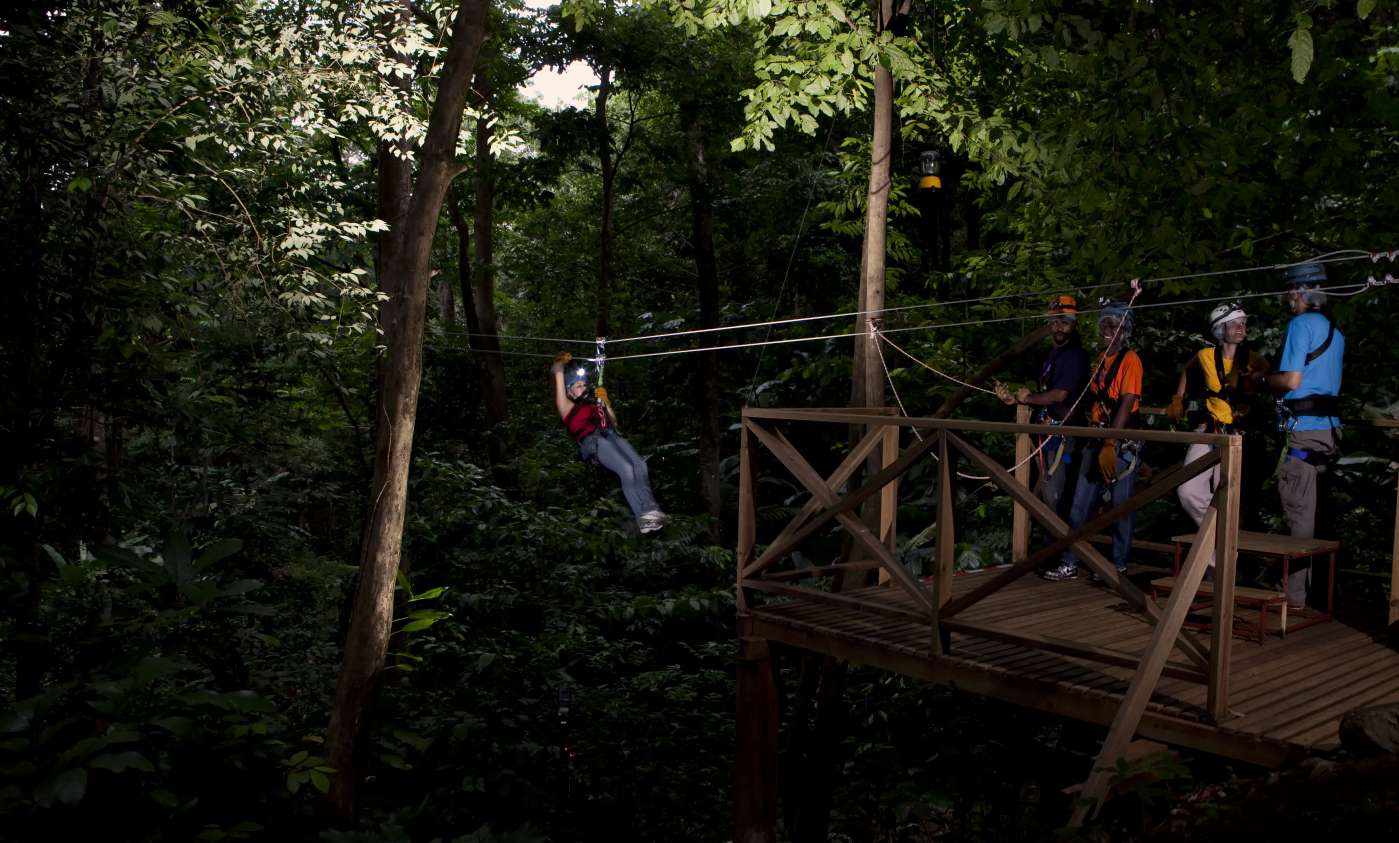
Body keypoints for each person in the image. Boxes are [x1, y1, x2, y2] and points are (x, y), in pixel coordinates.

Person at [1166, 302, 1271, 576]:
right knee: (1188, 491)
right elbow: (1187, 372)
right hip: (1209, 431)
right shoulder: (1204, 356)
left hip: (1238, 437)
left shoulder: (1254, 359)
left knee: (1228, 499)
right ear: (1219, 328)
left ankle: (1223, 565)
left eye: (1243, 323)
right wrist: (1178, 398)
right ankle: (1216, 547)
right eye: (1235, 323)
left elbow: (1273, 383)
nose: (1241, 327)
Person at [1262, 262, 1344, 609]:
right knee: (1312, 515)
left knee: (1298, 514)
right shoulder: (1334, 331)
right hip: (1329, 433)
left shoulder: (1300, 325)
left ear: (1299, 292)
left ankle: (1292, 597)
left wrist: (1262, 380)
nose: (1287, 300)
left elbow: (1291, 381)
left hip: (1305, 434)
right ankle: (1308, 592)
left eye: (1289, 294)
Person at [1043, 300, 1144, 581]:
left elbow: (1126, 402)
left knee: (1120, 505)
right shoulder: (1100, 359)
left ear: (1126, 330)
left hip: (1121, 441)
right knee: (1079, 502)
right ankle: (1070, 560)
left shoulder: (1130, 360)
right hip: (1097, 435)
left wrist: (1112, 442)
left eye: (1115, 324)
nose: (1109, 329)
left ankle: (1119, 564)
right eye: (1105, 324)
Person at [995, 294, 1091, 518]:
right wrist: (1015, 398)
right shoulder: (1051, 355)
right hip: (1049, 436)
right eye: (1055, 322)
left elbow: (1059, 395)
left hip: (1067, 438)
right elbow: (1042, 393)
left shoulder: (1075, 355)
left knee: (1060, 500)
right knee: (1050, 496)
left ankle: (1067, 550)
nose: (1059, 327)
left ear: (1074, 324)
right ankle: (1057, 545)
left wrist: (1027, 399)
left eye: (1065, 322)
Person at [551, 352, 669, 533]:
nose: (583, 388)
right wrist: (559, 365)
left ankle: (650, 510)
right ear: (569, 391)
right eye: (578, 385)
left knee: (639, 465)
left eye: (584, 385)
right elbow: (558, 375)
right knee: (627, 471)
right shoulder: (567, 408)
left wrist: (606, 403)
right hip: (593, 441)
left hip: (611, 435)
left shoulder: (593, 406)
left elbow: (613, 422)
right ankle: (642, 516)